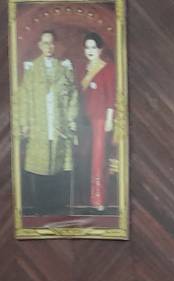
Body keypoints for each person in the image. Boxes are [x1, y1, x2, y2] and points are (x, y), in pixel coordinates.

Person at [13, 28, 76, 215]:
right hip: (39, 124)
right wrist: (24, 123)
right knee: (40, 164)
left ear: (55, 45)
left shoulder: (64, 69)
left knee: (57, 164)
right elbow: (24, 98)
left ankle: (56, 207)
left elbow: (72, 96)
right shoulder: (32, 70)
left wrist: (71, 119)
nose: (49, 46)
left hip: (58, 124)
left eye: (51, 43)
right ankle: (41, 207)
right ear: (40, 45)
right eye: (45, 43)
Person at [75, 31, 116, 211]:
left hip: (100, 119)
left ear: (100, 49)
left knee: (98, 159)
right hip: (84, 120)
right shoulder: (83, 68)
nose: (90, 50)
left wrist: (109, 119)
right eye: (87, 47)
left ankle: (98, 199)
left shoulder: (107, 68)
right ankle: (85, 198)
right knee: (85, 157)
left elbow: (111, 96)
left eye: (93, 47)